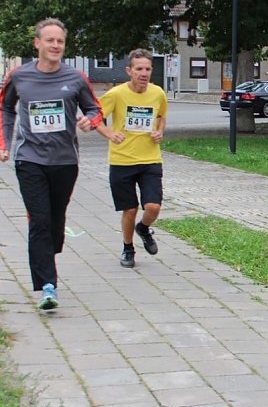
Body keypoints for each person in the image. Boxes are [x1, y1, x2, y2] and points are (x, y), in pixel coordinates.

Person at [0, 18, 104, 311]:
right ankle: (48, 286)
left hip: (65, 162)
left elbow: (95, 108)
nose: (55, 45)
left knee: (54, 222)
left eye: (60, 41)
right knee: (40, 221)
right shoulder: (19, 76)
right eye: (50, 40)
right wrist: (4, 142)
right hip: (29, 159)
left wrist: (90, 121)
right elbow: (5, 108)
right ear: (37, 43)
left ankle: (50, 245)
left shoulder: (76, 78)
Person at [94, 49, 168, 268]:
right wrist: (109, 134)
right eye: (139, 69)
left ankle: (143, 228)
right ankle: (128, 248)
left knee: (153, 207)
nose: (144, 73)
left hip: (150, 160)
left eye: (147, 69)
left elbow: (162, 116)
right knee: (130, 209)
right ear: (129, 71)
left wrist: (160, 131)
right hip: (121, 161)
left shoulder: (158, 93)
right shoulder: (116, 94)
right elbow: (96, 117)